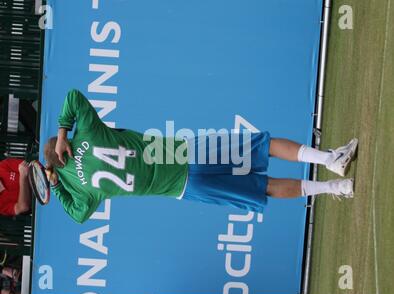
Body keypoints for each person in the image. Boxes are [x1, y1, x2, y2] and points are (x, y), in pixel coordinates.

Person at [44, 89, 358, 224]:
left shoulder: (84, 189)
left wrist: (57, 185)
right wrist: (62, 132)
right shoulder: (88, 134)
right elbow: (72, 97)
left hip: (181, 189)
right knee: (263, 146)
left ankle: (335, 189)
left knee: (264, 187)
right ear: (65, 146)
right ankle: (330, 160)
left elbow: (78, 215)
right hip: (181, 153)